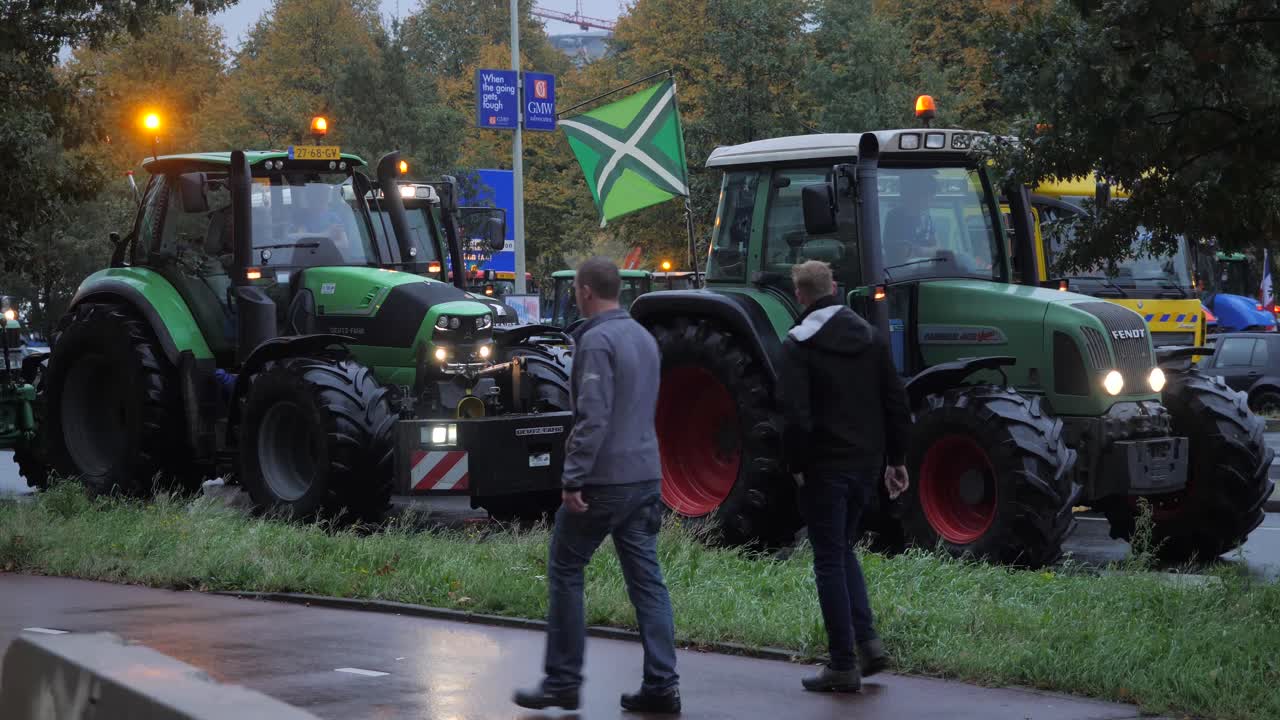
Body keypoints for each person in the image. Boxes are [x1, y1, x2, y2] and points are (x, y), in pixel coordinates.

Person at [514, 257, 680, 715]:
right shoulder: (644, 338)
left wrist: (573, 478)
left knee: (566, 568)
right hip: (647, 474)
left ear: (584, 291)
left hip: (605, 479)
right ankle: (662, 685)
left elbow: (593, 417)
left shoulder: (596, 341)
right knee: (648, 582)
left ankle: (563, 681)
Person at [779, 260, 912, 693]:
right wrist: (896, 460)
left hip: (823, 469)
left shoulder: (798, 344)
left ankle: (841, 663)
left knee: (829, 559)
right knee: (843, 549)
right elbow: (894, 399)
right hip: (866, 466)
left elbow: (796, 418)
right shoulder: (871, 339)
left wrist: (796, 467)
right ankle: (868, 643)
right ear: (834, 287)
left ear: (800, 295)